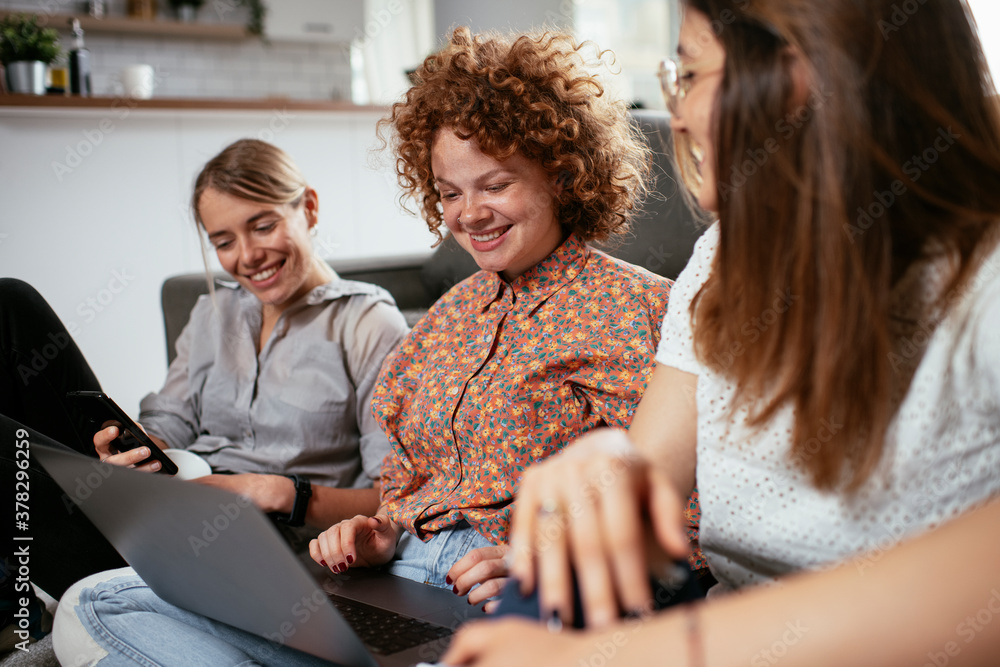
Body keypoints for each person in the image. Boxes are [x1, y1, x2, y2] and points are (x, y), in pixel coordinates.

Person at [54, 27, 687, 666]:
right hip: (394, 578)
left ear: (562, 172)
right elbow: (404, 488)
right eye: (448, 192)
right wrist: (380, 533)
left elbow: (687, 510)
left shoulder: (640, 309)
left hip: (503, 599)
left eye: (494, 185)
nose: (468, 214)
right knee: (102, 601)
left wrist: (547, 561)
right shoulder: (449, 315)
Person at [440, 0, 1000, 664]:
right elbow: (650, 471)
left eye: (692, 74)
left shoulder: (983, 272)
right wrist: (604, 475)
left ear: (803, 71)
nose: (674, 112)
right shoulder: (724, 259)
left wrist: (630, 655)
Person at [1, 138, 407, 617]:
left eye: (263, 226)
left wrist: (272, 490)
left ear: (309, 208)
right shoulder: (214, 313)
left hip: (258, 542)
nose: (248, 256)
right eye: (223, 241)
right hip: (168, 499)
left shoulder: (368, 324)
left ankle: (17, 605)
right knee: (11, 303)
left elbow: (394, 496)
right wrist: (130, 450)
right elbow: (168, 425)